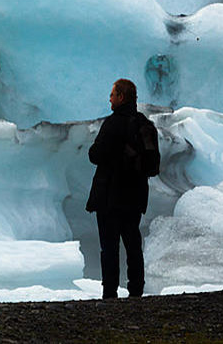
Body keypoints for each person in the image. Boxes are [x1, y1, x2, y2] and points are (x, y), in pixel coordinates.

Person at [86, 78, 154, 299]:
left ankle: (110, 292)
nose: (110, 98)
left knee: (109, 246)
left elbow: (94, 155)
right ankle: (136, 290)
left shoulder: (113, 124)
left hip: (110, 196)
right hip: (134, 197)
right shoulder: (145, 125)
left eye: (113, 94)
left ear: (121, 97)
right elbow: (152, 165)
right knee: (133, 244)